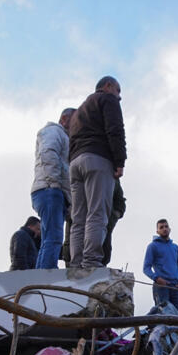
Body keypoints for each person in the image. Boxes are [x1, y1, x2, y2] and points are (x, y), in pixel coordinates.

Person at [68, 76, 126, 268]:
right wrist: (119, 160)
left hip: (75, 163)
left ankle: (76, 264)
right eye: (118, 91)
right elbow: (115, 129)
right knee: (97, 212)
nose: (119, 98)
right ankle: (91, 262)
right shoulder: (107, 100)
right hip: (97, 159)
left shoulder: (78, 112)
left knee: (78, 218)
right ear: (108, 86)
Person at [31, 108, 74, 269]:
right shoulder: (53, 131)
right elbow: (48, 154)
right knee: (54, 237)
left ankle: (42, 273)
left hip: (51, 189)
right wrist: (53, 183)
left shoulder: (61, 135)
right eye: (75, 122)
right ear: (64, 119)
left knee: (49, 237)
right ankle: (46, 276)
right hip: (50, 189)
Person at [143, 218, 178, 315]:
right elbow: (146, 268)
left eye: (166, 226)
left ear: (170, 229)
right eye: (161, 227)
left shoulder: (176, 248)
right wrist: (157, 278)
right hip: (162, 286)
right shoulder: (153, 246)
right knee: (165, 316)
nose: (164, 229)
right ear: (157, 231)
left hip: (176, 287)